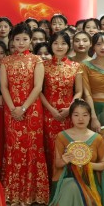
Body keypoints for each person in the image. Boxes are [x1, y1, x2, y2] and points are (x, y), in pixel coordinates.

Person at [37, 99, 104, 206]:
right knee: (72, 185)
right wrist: (64, 160)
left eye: (85, 115)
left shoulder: (98, 138)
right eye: (76, 115)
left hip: (89, 180)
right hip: (67, 177)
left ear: (90, 117)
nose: (81, 119)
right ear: (70, 117)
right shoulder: (62, 136)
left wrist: (87, 165)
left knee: (79, 187)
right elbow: (58, 164)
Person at [1, 23, 48, 206]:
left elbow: (38, 87)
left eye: (25, 39)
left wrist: (23, 108)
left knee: (32, 148)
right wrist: (13, 108)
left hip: (32, 110)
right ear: (12, 41)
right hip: (11, 109)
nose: (21, 43)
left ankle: (30, 195)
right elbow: (4, 87)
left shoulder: (37, 60)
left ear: (30, 41)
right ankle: (13, 193)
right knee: (13, 147)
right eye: (17, 39)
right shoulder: (6, 61)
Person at [39, 32, 82, 172]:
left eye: (63, 43)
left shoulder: (76, 66)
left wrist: (70, 109)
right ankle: (51, 181)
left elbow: (79, 91)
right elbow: (39, 91)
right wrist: (51, 110)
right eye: (56, 43)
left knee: (67, 147)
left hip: (68, 114)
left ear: (68, 46)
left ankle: (67, 180)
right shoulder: (43, 65)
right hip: (48, 114)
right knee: (49, 147)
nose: (59, 46)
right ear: (50, 45)